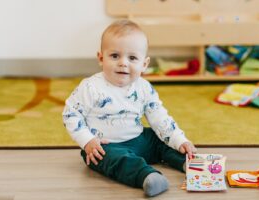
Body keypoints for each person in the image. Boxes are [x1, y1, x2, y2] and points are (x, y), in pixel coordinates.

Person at [62, 19, 197, 197]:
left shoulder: (144, 87)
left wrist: (180, 140)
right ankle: (146, 176)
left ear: (144, 64)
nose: (123, 63)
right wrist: (87, 140)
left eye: (132, 58)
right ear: (101, 58)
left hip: (139, 139)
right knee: (113, 159)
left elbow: (160, 118)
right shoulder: (90, 87)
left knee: (159, 139)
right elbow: (71, 114)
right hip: (106, 146)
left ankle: (187, 162)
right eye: (115, 56)